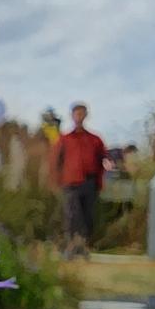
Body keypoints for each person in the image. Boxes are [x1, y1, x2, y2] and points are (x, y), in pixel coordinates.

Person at [52, 102, 106, 258]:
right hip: (71, 182)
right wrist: (57, 181)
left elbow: (102, 159)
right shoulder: (65, 139)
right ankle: (71, 245)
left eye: (82, 114)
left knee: (87, 215)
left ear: (86, 115)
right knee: (72, 215)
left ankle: (82, 245)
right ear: (72, 116)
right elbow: (57, 161)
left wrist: (100, 181)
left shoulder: (95, 140)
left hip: (89, 182)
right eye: (77, 114)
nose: (79, 117)